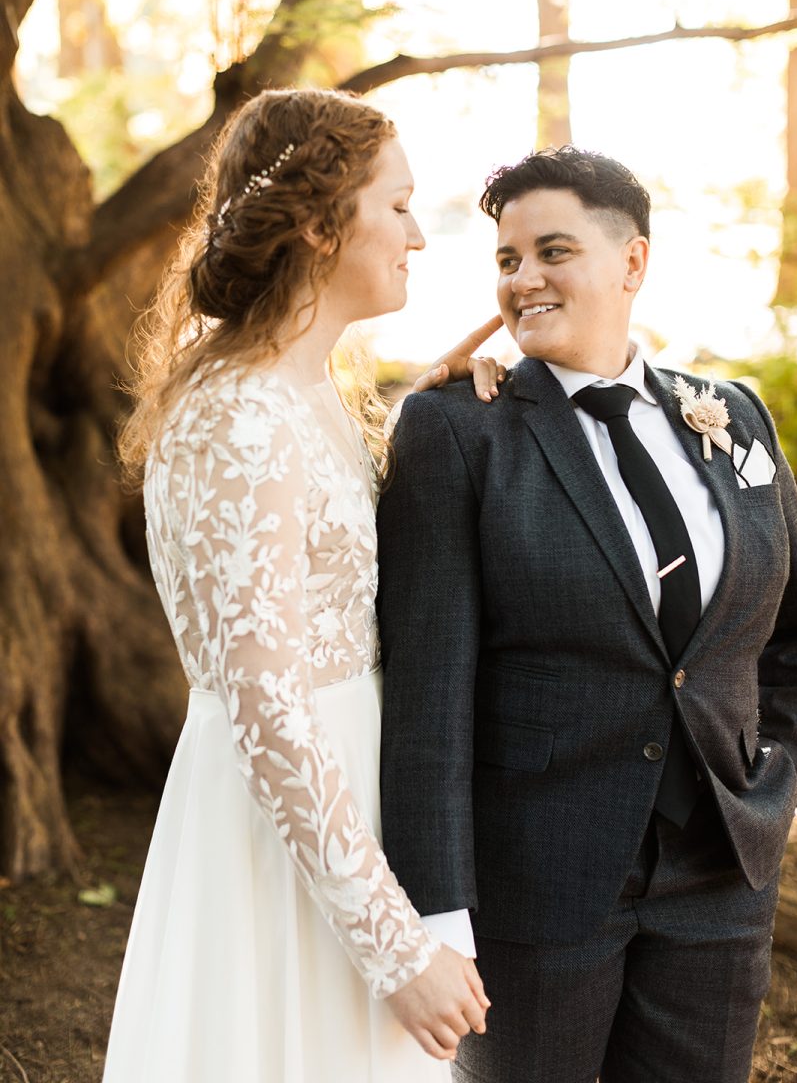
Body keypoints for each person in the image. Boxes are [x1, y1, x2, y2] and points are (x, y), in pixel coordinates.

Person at [376, 145, 797, 1083]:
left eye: (551, 251)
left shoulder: (735, 417)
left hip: (721, 878)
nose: (522, 279)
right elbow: (427, 693)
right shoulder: (459, 431)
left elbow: (787, 630)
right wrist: (436, 914)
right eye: (506, 259)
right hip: (536, 884)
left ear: (632, 263)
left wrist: (779, 772)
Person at [106, 86, 496, 1083]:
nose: (418, 233)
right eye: (398, 205)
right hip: (282, 833)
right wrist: (393, 944)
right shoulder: (235, 418)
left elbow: (316, 543)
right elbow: (263, 703)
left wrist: (432, 398)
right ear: (323, 223)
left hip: (348, 796)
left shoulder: (301, 387)